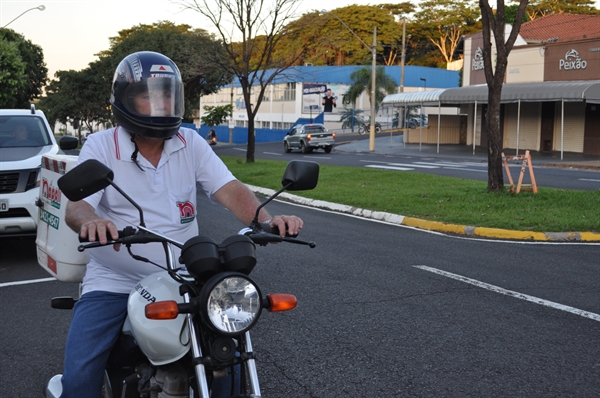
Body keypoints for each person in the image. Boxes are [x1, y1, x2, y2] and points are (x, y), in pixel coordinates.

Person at [60, 51, 303, 398]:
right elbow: (78, 207)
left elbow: (229, 189)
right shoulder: (101, 145)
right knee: (80, 380)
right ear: (125, 99)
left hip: (184, 278)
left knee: (227, 359)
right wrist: (92, 221)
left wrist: (266, 219)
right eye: (149, 94)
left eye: (168, 93)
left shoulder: (190, 143)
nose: (162, 102)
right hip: (115, 281)